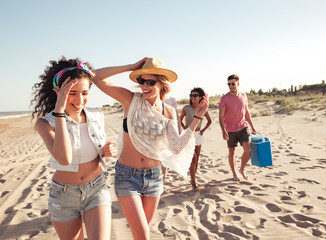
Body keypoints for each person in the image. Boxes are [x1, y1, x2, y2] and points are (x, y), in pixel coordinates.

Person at [92, 57, 208, 240]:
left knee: (141, 233)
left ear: (162, 84)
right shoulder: (131, 99)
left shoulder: (168, 111)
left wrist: (196, 120)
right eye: (141, 81)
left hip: (154, 177)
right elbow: (96, 77)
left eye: (150, 82)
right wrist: (131, 67)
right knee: (143, 235)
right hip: (127, 177)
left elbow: (176, 146)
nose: (144, 85)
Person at [31, 57, 116, 240]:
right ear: (58, 91)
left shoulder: (96, 115)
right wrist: (60, 111)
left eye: (85, 93)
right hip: (63, 196)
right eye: (72, 92)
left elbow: (96, 152)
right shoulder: (46, 123)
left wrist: (106, 151)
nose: (80, 100)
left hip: (96, 188)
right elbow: (64, 159)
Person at [219, 74, 256, 181]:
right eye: (229, 84)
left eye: (233, 83)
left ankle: (242, 169)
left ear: (238, 84)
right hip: (230, 130)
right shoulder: (224, 98)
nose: (230, 86)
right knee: (232, 152)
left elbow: (247, 113)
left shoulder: (243, 96)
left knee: (248, 149)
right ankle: (234, 173)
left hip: (243, 127)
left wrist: (252, 127)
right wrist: (223, 130)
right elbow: (220, 116)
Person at [179, 88, 212, 191]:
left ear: (201, 97)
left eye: (195, 95)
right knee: (193, 158)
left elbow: (209, 121)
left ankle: (193, 177)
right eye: (191, 95)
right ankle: (193, 182)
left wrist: (203, 130)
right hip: (189, 135)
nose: (192, 97)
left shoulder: (203, 109)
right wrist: (185, 129)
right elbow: (179, 120)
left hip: (198, 135)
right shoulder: (186, 108)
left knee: (196, 159)